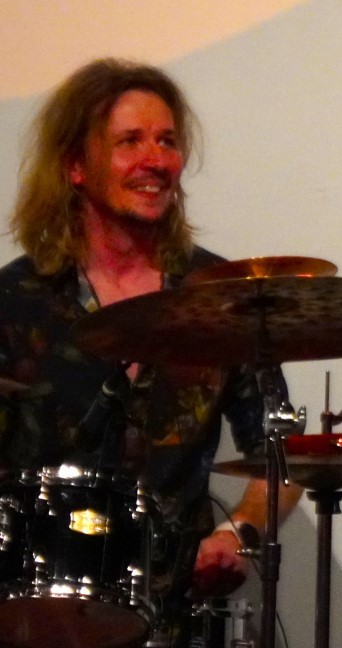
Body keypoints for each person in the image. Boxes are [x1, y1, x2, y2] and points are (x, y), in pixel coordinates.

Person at [0, 59, 296, 647]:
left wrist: (238, 533)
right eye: (129, 141)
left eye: (166, 141)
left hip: (179, 615)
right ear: (75, 166)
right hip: (37, 618)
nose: (155, 160)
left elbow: (279, 455)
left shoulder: (220, 299)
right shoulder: (16, 301)